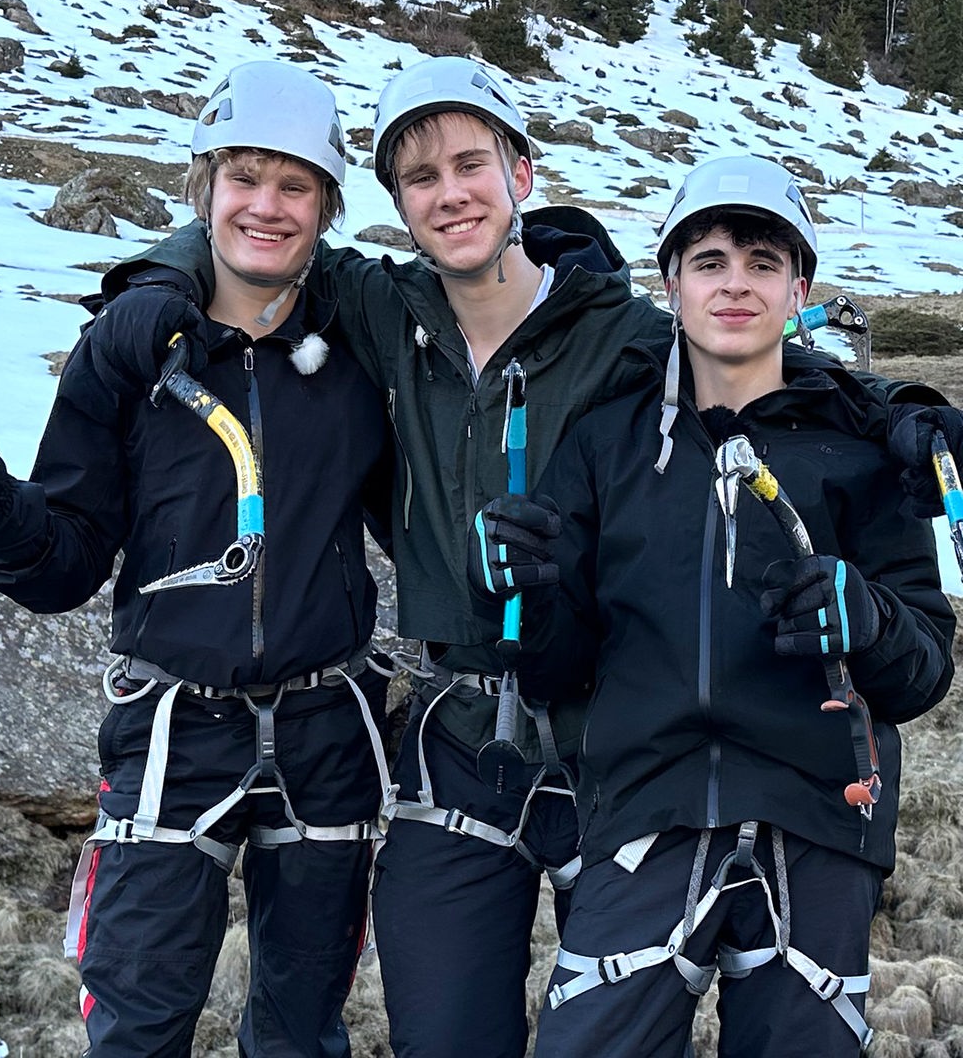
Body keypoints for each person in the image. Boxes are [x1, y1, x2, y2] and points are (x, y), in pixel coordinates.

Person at [97, 57, 950, 1057]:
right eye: (421, 177)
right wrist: (154, 278)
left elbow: (744, 345)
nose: (451, 193)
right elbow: (256, 227)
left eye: (473, 163)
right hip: (460, 737)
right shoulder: (382, 312)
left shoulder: (625, 334)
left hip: (614, 746)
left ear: (522, 173)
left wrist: (892, 408)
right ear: (395, 201)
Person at [0, 61, 393, 1057]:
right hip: (171, 732)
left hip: (330, 731)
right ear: (204, 185)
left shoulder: (363, 340)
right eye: (244, 178)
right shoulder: (131, 348)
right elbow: (62, 566)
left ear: (328, 204)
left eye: (296, 185)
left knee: (304, 1031)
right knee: (138, 1029)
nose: (267, 207)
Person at [471, 154, 955, 1057]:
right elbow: (554, 666)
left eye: (762, 262)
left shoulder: (862, 450)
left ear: (798, 285)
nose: (736, 283)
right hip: (641, 815)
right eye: (710, 261)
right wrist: (510, 587)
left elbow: (926, 664)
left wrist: (870, 618)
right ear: (671, 284)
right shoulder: (606, 445)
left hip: (820, 824)